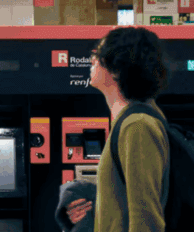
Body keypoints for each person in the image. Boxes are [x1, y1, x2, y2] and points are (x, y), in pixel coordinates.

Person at [65, 27, 171, 232]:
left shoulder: (137, 126)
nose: (92, 60)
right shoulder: (130, 122)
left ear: (117, 69)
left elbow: (145, 220)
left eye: (98, 54)